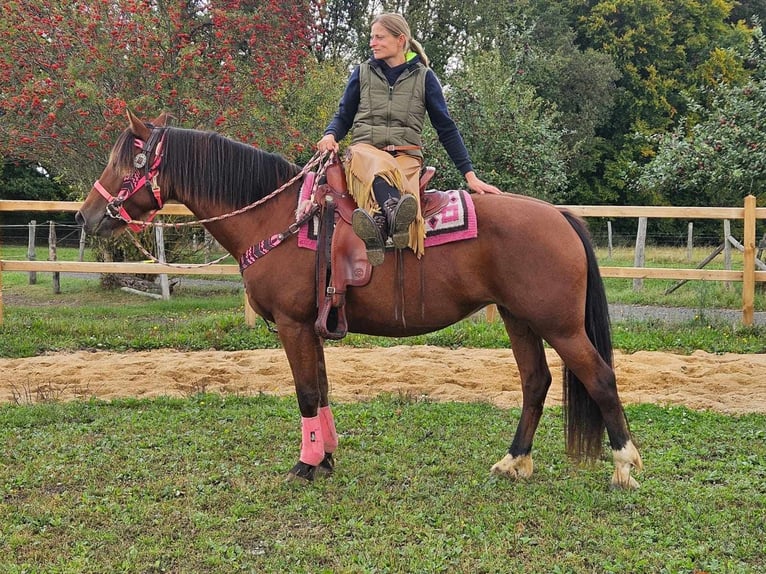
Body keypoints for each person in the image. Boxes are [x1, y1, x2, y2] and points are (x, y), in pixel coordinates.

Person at [317, 12, 500, 266]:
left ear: (400, 39)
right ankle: (394, 214)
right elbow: (343, 116)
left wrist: (470, 175)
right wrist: (330, 135)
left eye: (379, 37)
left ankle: (380, 225)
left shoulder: (425, 78)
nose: (373, 43)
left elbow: (445, 128)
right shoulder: (362, 73)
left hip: (406, 157)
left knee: (393, 177)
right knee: (372, 164)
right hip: (364, 154)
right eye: (372, 37)